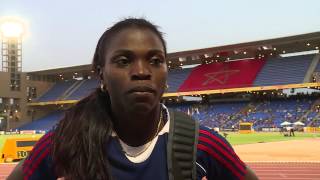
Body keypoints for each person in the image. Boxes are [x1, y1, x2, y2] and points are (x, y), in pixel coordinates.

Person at [8, 18, 258, 180]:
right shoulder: (66, 139)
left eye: (155, 61)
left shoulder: (201, 143)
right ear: (101, 75)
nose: (141, 71)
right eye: (124, 61)